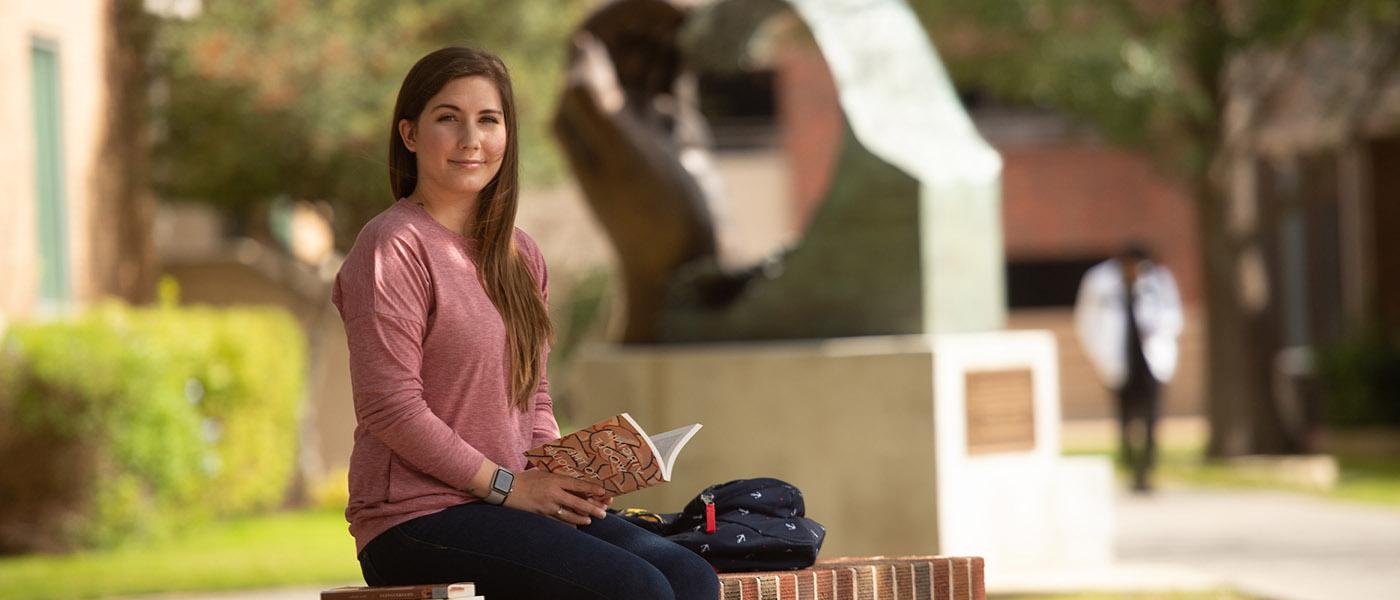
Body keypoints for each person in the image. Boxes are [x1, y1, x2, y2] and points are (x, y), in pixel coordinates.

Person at [332, 47, 720, 599]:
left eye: (489, 120)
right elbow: (390, 408)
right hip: (416, 519)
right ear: (410, 135)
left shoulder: (520, 256)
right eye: (448, 118)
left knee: (690, 576)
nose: (472, 139)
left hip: (510, 503)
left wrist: (570, 478)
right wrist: (508, 486)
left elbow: (533, 399)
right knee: (634, 588)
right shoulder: (393, 246)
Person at [1073, 243, 1183, 493]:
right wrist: (1099, 356)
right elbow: (1086, 321)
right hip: (1119, 360)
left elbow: (1173, 315)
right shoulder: (1100, 282)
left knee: (1152, 418)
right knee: (1125, 418)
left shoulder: (1158, 280)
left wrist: (1157, 330)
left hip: (1151, 361)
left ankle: (1146, 470)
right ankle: (1131, 465)